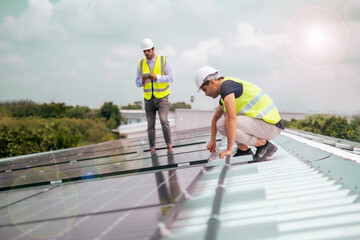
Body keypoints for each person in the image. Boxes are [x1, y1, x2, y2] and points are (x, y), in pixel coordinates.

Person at [194, 66, 285, 161]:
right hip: (265, 126)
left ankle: (264, 145)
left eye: (205, 89)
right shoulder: (226, 90)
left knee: (224, 123)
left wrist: (229, 149)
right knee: (222, 122)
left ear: (212, 82)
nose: (205, 94)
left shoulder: (226, 87)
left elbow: (231, 117)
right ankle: (244, 150)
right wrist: (212, 140)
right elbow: (216, 117)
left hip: (270, 126)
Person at [136, 38, 173, 152]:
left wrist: (156, 77)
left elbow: (171, 77)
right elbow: (137, 82)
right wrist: (142, 81)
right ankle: (152, 148)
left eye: (148, 50)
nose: (146, 53)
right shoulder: (141, 63)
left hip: (162, 98)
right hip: (148, 99)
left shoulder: (163, 60)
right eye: (144, 51)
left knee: (163, 120)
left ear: (153, 49)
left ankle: (169, 145)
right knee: (150, 125)